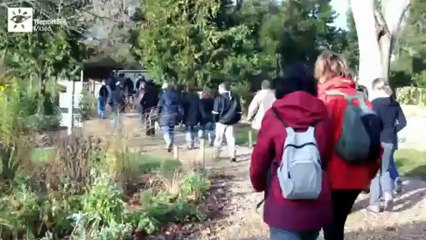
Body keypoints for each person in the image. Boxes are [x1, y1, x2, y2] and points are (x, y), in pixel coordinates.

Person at [250, 63, 334, 240]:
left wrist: (258, 184)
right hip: (316, 200)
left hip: (282, 203)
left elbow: (260, 156)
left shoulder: (274, 115)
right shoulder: (324, 116)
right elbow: (327, 155)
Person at [314, 50, 381, 240]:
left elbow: (319, 141)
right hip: (358, 174)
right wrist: (370, 174)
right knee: (337, 224)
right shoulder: (362, 99)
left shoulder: (325, 100)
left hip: (333, 176)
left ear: (322, 71)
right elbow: (376, 141)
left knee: (331, 227)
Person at [369, 78, 407, 211]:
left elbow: (373, 124)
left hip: (378, 140)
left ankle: (374, 203)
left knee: (375, 172)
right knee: (385, 169)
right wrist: (391, 130)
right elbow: (403, 122)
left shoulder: (375, 104)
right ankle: (387, 194)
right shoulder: (395, 104)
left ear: (377, 89)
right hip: (390, 140)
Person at [212, 82, 242, 162]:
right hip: (231, 122)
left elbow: (216, 112)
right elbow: (239, 111)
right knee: (231, 139)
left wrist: (216, 120)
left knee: (218, 139)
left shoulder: (219, 98)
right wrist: (235, 120)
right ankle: (232, 155)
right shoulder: (235, 97)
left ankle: (216, 154)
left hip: (221, 122)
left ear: (222, 89)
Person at [157, 82, 182, 152]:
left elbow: (159, 106)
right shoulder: (177, 96)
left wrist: (157, 113)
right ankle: (171, 144)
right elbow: (180, 107)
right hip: (174, 115)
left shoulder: (164, 95)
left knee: (165, 130)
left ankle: (168, 142)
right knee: (171, 130)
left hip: (165, 114)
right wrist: (180, 116)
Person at [182, 84, 201, 149]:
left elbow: (183, 105)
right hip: (195, 114)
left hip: (188, 114)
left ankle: (190, 144)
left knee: (189, 129)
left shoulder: (186, 96)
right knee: (193, 129)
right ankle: (192, 143)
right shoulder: (196, 96)